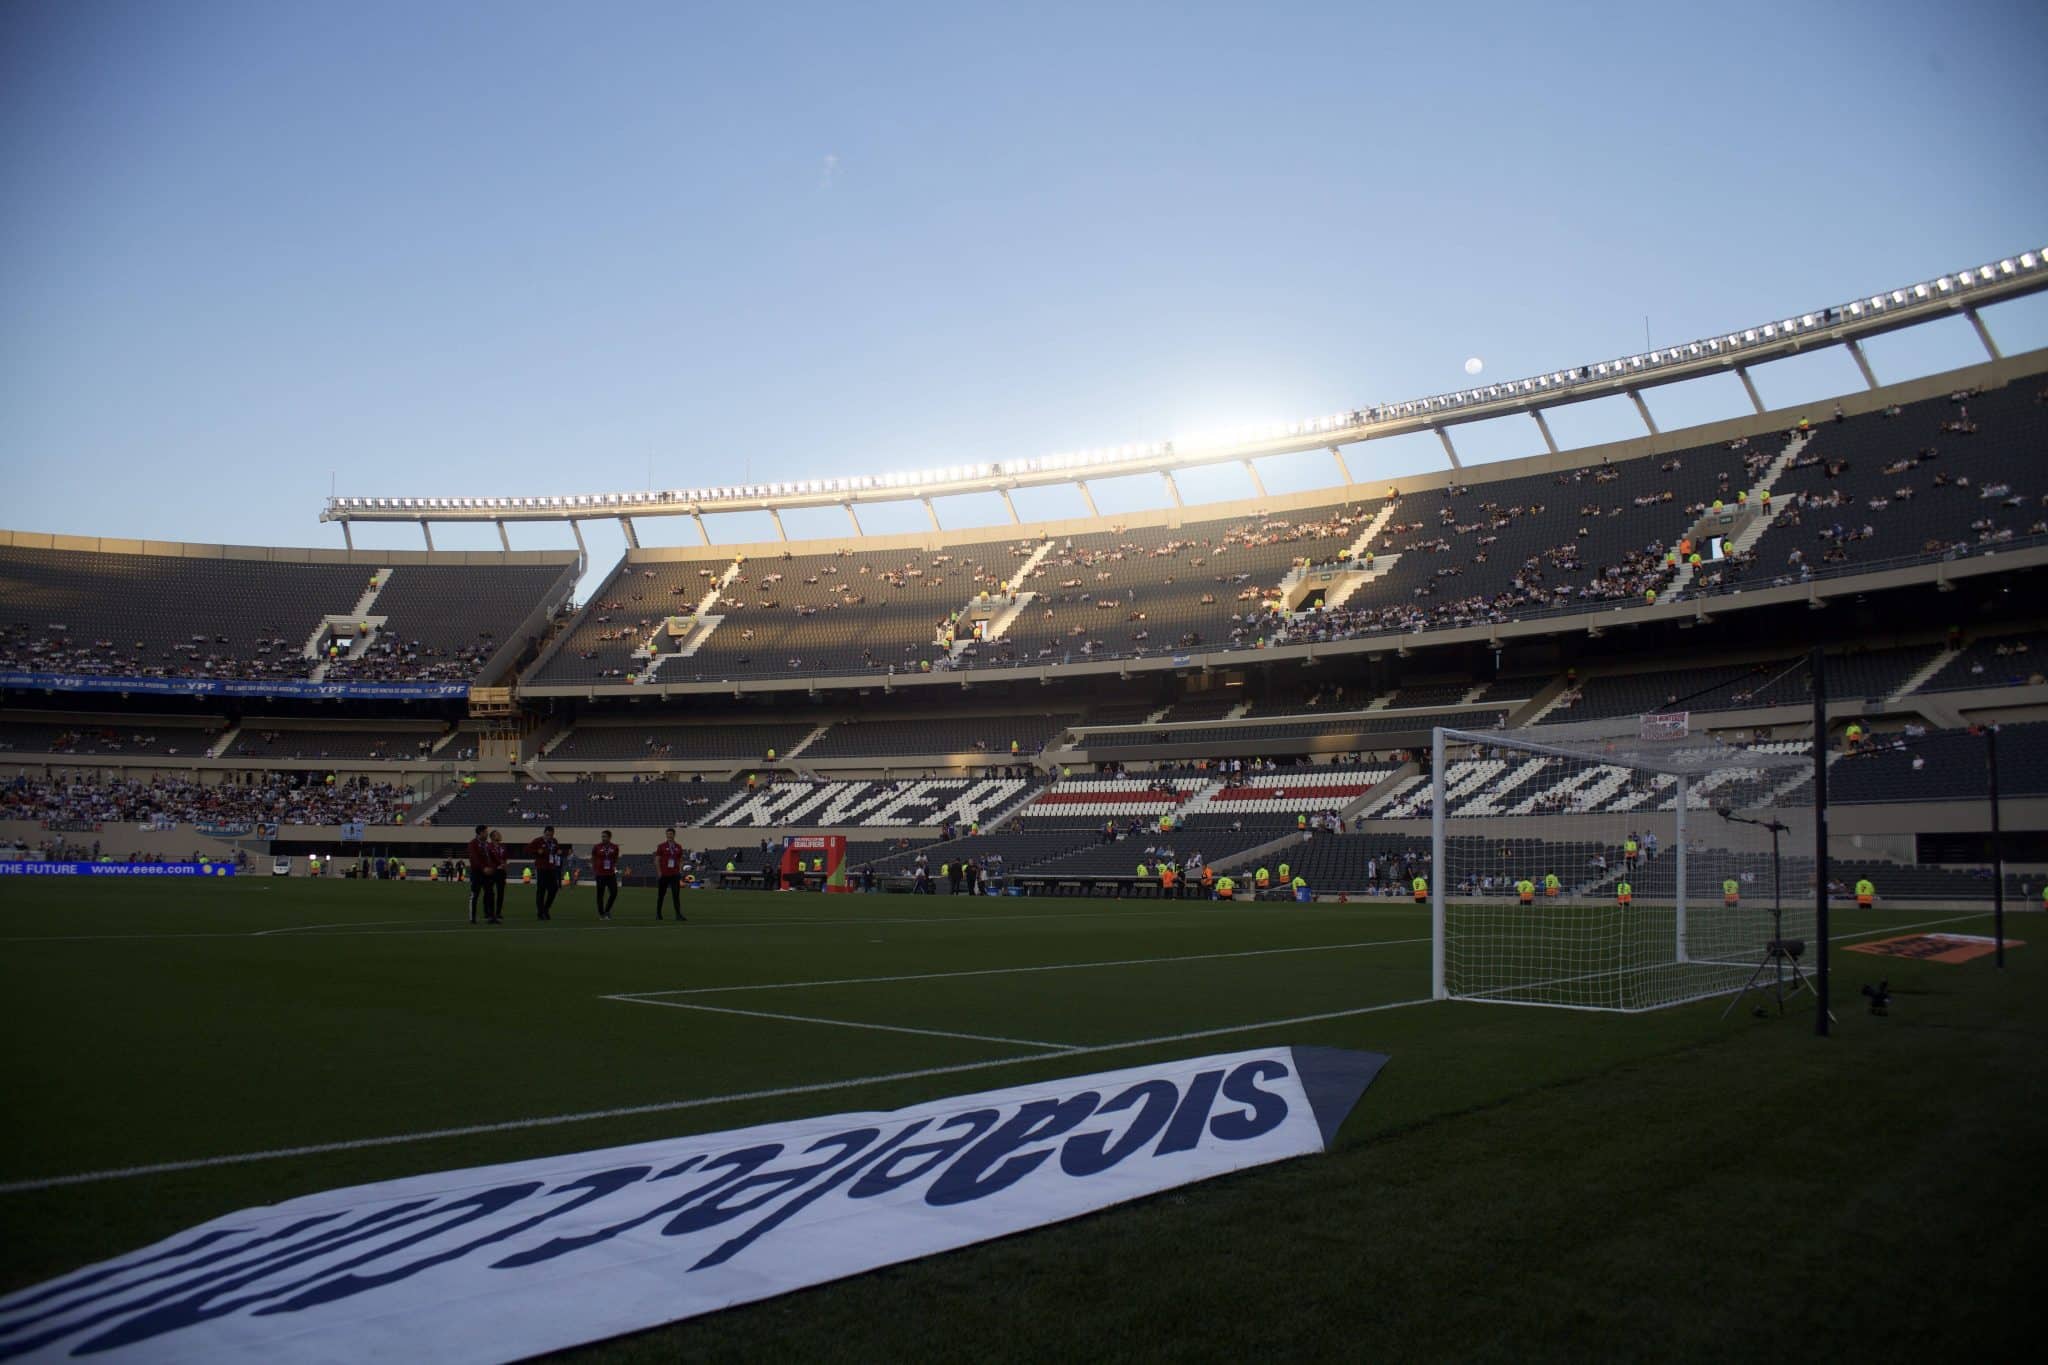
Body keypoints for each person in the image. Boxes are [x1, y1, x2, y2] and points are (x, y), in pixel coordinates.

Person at [527, 825, 563, 920]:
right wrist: (537, 851)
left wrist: (559, 851)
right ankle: (540, 912)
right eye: (547, 835)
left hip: (551, 868)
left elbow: (556, 850)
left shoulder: (554, 841)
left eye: (551, 835)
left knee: (554, 889)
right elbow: (527, 849)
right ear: (544, 833)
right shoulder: (538, 841)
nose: (549, 837)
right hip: (541, 868)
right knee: (541, 890)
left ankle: (546, 908)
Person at [465, 823, 496, 925]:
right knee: (475, 894)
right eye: (486, 832)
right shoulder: (472, 844)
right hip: (477, 873)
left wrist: (498, 864)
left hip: (487, 873)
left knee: (490, 894)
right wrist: (483, 868)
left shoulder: (487, 844)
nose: (487, 834)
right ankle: (472, 918)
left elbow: (492, 856)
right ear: (481, 833)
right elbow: (474, 858)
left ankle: (491, 917)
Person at [654, 828, 687, 920]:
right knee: (661, 895)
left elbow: (681, 860)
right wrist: (659, 872)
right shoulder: (661, 846)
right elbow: (656, 860)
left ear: (674, 835)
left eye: (671, 834)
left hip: (675, 874)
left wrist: (680, 870)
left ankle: (678, 915)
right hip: (664, 874)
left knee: (676, 895)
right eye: (668, 834)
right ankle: (658, 914)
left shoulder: (678, 847)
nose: (669, 835)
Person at [592, 829, 621, 919]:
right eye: (602, 836)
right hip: (600, 874)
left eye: (605, 836)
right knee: (600, 895)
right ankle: (602, 913)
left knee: (614, 892)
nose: (603, 838)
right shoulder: (597, 847)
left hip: (610, 874)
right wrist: (595, 869)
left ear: (609, 837)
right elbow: (593, 858)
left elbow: (616, 858)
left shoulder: (615, 847)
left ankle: (607, 910)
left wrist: (612, 866)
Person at [487, 829, 509, 919]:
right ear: (492, 837)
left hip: (501, 872)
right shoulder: (488, 847)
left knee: (501, 893)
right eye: (497, 834)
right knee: (489, 892)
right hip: (493, 871)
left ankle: (498, 912)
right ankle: (488, 912)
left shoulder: (503, 847)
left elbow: (505, 859)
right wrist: (496, 866)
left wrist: (504, 867)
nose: (499, 835)